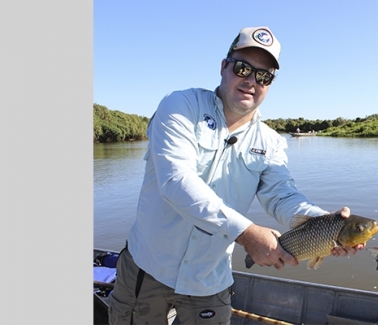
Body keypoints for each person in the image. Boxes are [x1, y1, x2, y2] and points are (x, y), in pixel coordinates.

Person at [107, 26, 364, 325]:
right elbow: (175, 181)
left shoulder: (271, 141)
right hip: (147, 267)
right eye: (243, 68)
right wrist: (246, 233)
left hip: (208, 280)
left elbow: (282, 195)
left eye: (264, 76)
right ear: (223, 67)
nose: (251, 81)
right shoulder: (180, 106)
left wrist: (324, 223)